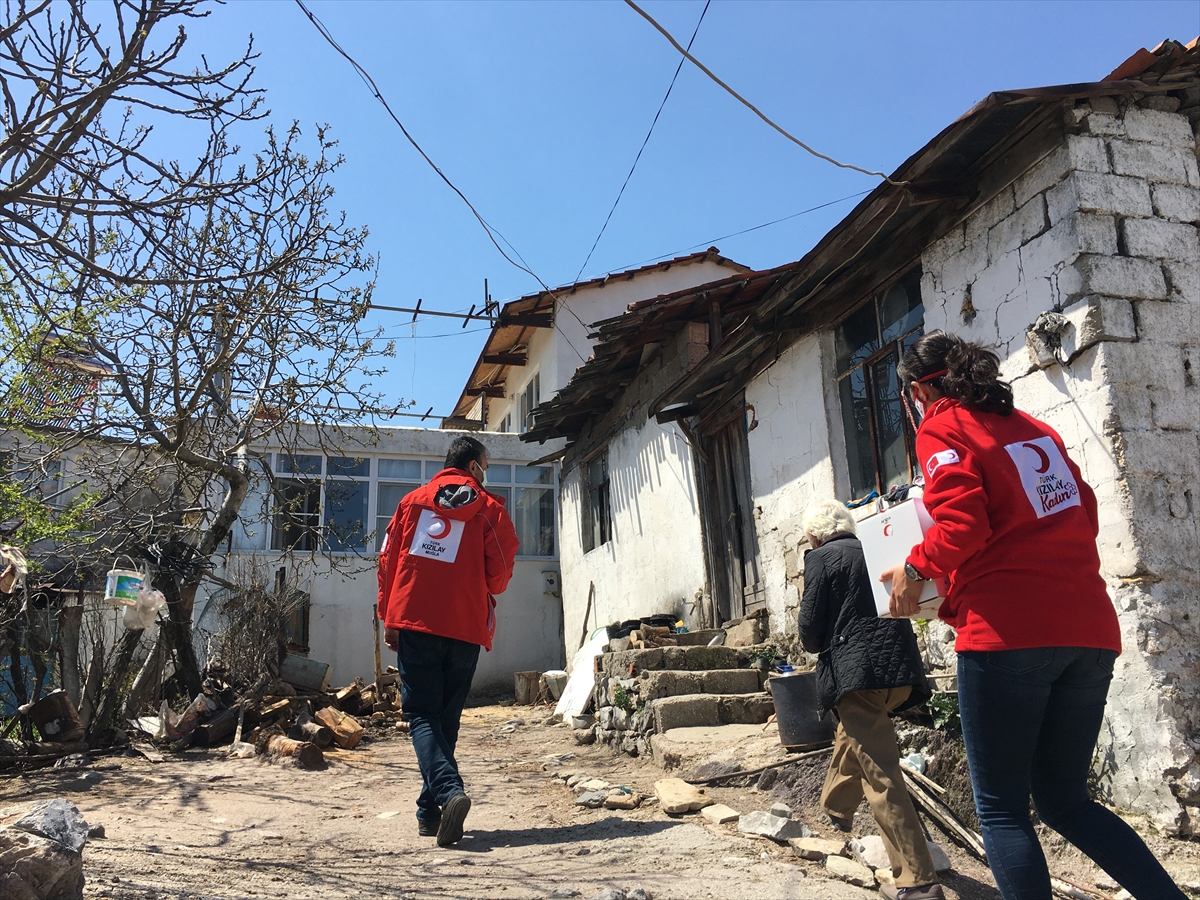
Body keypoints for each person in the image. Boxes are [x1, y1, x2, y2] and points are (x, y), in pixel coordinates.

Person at [883, 331, 1184, 900]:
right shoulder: (1037, 430)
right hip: (1089, 631)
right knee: (1066, 800)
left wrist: (915, 569)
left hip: (1007, 634)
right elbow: (1084, 514)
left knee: (1000, 809)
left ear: (919, 391)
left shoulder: (941, 426)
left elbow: (963, 526)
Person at [377, 435, 519, 847]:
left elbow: (387, 561)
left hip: (416, 624)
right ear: (474, 467)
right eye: (486, 465)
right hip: (464, 627)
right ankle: (430, 811)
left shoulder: (410, 503)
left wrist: (389, 616)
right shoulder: (489, 509)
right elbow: (501, 569)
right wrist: (480, 581)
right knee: (445, 720)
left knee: (422, 716)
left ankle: (446, 794)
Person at [798, 499, 943, 900]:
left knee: (881, 774)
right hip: (898, 673)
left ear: (814, 534)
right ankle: (836, 805)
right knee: (857, 731)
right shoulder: (873, 547)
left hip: (856, 674)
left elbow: (809, 633)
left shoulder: (821, 558)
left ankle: (919, 881)